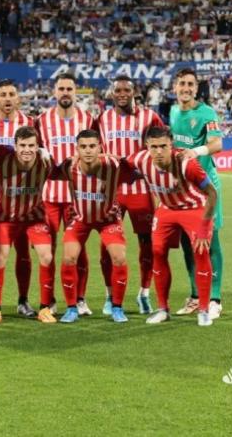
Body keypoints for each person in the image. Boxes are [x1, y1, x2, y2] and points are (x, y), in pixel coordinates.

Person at [123, 126, 217, 327]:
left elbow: (212, 194)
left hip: (193, 207)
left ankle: (204, 310)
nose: (158, 151)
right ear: (147, 146)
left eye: (163, 146)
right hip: (167, 209)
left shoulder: (186, 164)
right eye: (154, 147)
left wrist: (203, 227)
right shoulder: (140, 160)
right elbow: (118, 163)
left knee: (200, 252)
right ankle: (163, 309)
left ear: (171, 145)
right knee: (157, 251)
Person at [97, 75, 164, 316]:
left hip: (141, 189)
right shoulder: (103, 119)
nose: (123, 94)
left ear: (134, 92)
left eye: (127, 90)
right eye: (118, 90)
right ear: (112, 93)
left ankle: (144, 294)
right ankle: (109, 295)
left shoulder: (148, 117)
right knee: (107, 243)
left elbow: (163, 142)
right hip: (112, 190)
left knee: (147, 243)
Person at [53, 129, 130, 324]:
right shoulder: (70, 166)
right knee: (69, 257)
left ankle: (117, 307)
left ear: (100, 148)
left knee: (119, 258)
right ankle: (71, 308)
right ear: (76, 149)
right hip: (80, 219)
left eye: (92, 146)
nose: (88, 151)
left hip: (108, 219)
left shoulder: (113, 165)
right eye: (83, 147)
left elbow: (135, 166)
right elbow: (49, 174)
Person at [0, 79, 37, 318]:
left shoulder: (30, 124)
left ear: (18, 98)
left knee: (23, 252)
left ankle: (23, 301)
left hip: (23, 200)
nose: (8, 98)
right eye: (3, 94)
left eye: (12, 94)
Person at [36, 72, 95, 316]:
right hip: (49, 195)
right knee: (46, 250)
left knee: (78, 250)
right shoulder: (41, 120)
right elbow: (34, 150)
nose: (65, 93)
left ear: (76, 91)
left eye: (69, 89)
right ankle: (48, 300)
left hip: (77, 197)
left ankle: (79, 299)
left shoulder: (88, 119)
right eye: (61, 89)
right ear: (55, 92)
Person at [169, 68, 225, 320]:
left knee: (210, 242)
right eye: (182, 84)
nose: (187, 88)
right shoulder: (172, 112)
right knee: (186, 244)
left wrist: (197, 151)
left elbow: (217, 144)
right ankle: (195, 296)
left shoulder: (206, 113)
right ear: (175, 87)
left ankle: (214, 299)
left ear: (196, 88)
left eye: (191, 84)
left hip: (205, 188)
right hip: (182, 188)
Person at [0, 126, 56, 324]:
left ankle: (45, 308)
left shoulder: (46, 162)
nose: (27, 149)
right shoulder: (2, 159)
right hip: (6, 218)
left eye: (31, 146)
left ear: (38, 146)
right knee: (0, 258)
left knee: (47, 255)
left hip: (33, 217)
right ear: (15, 146)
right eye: (22, 145)